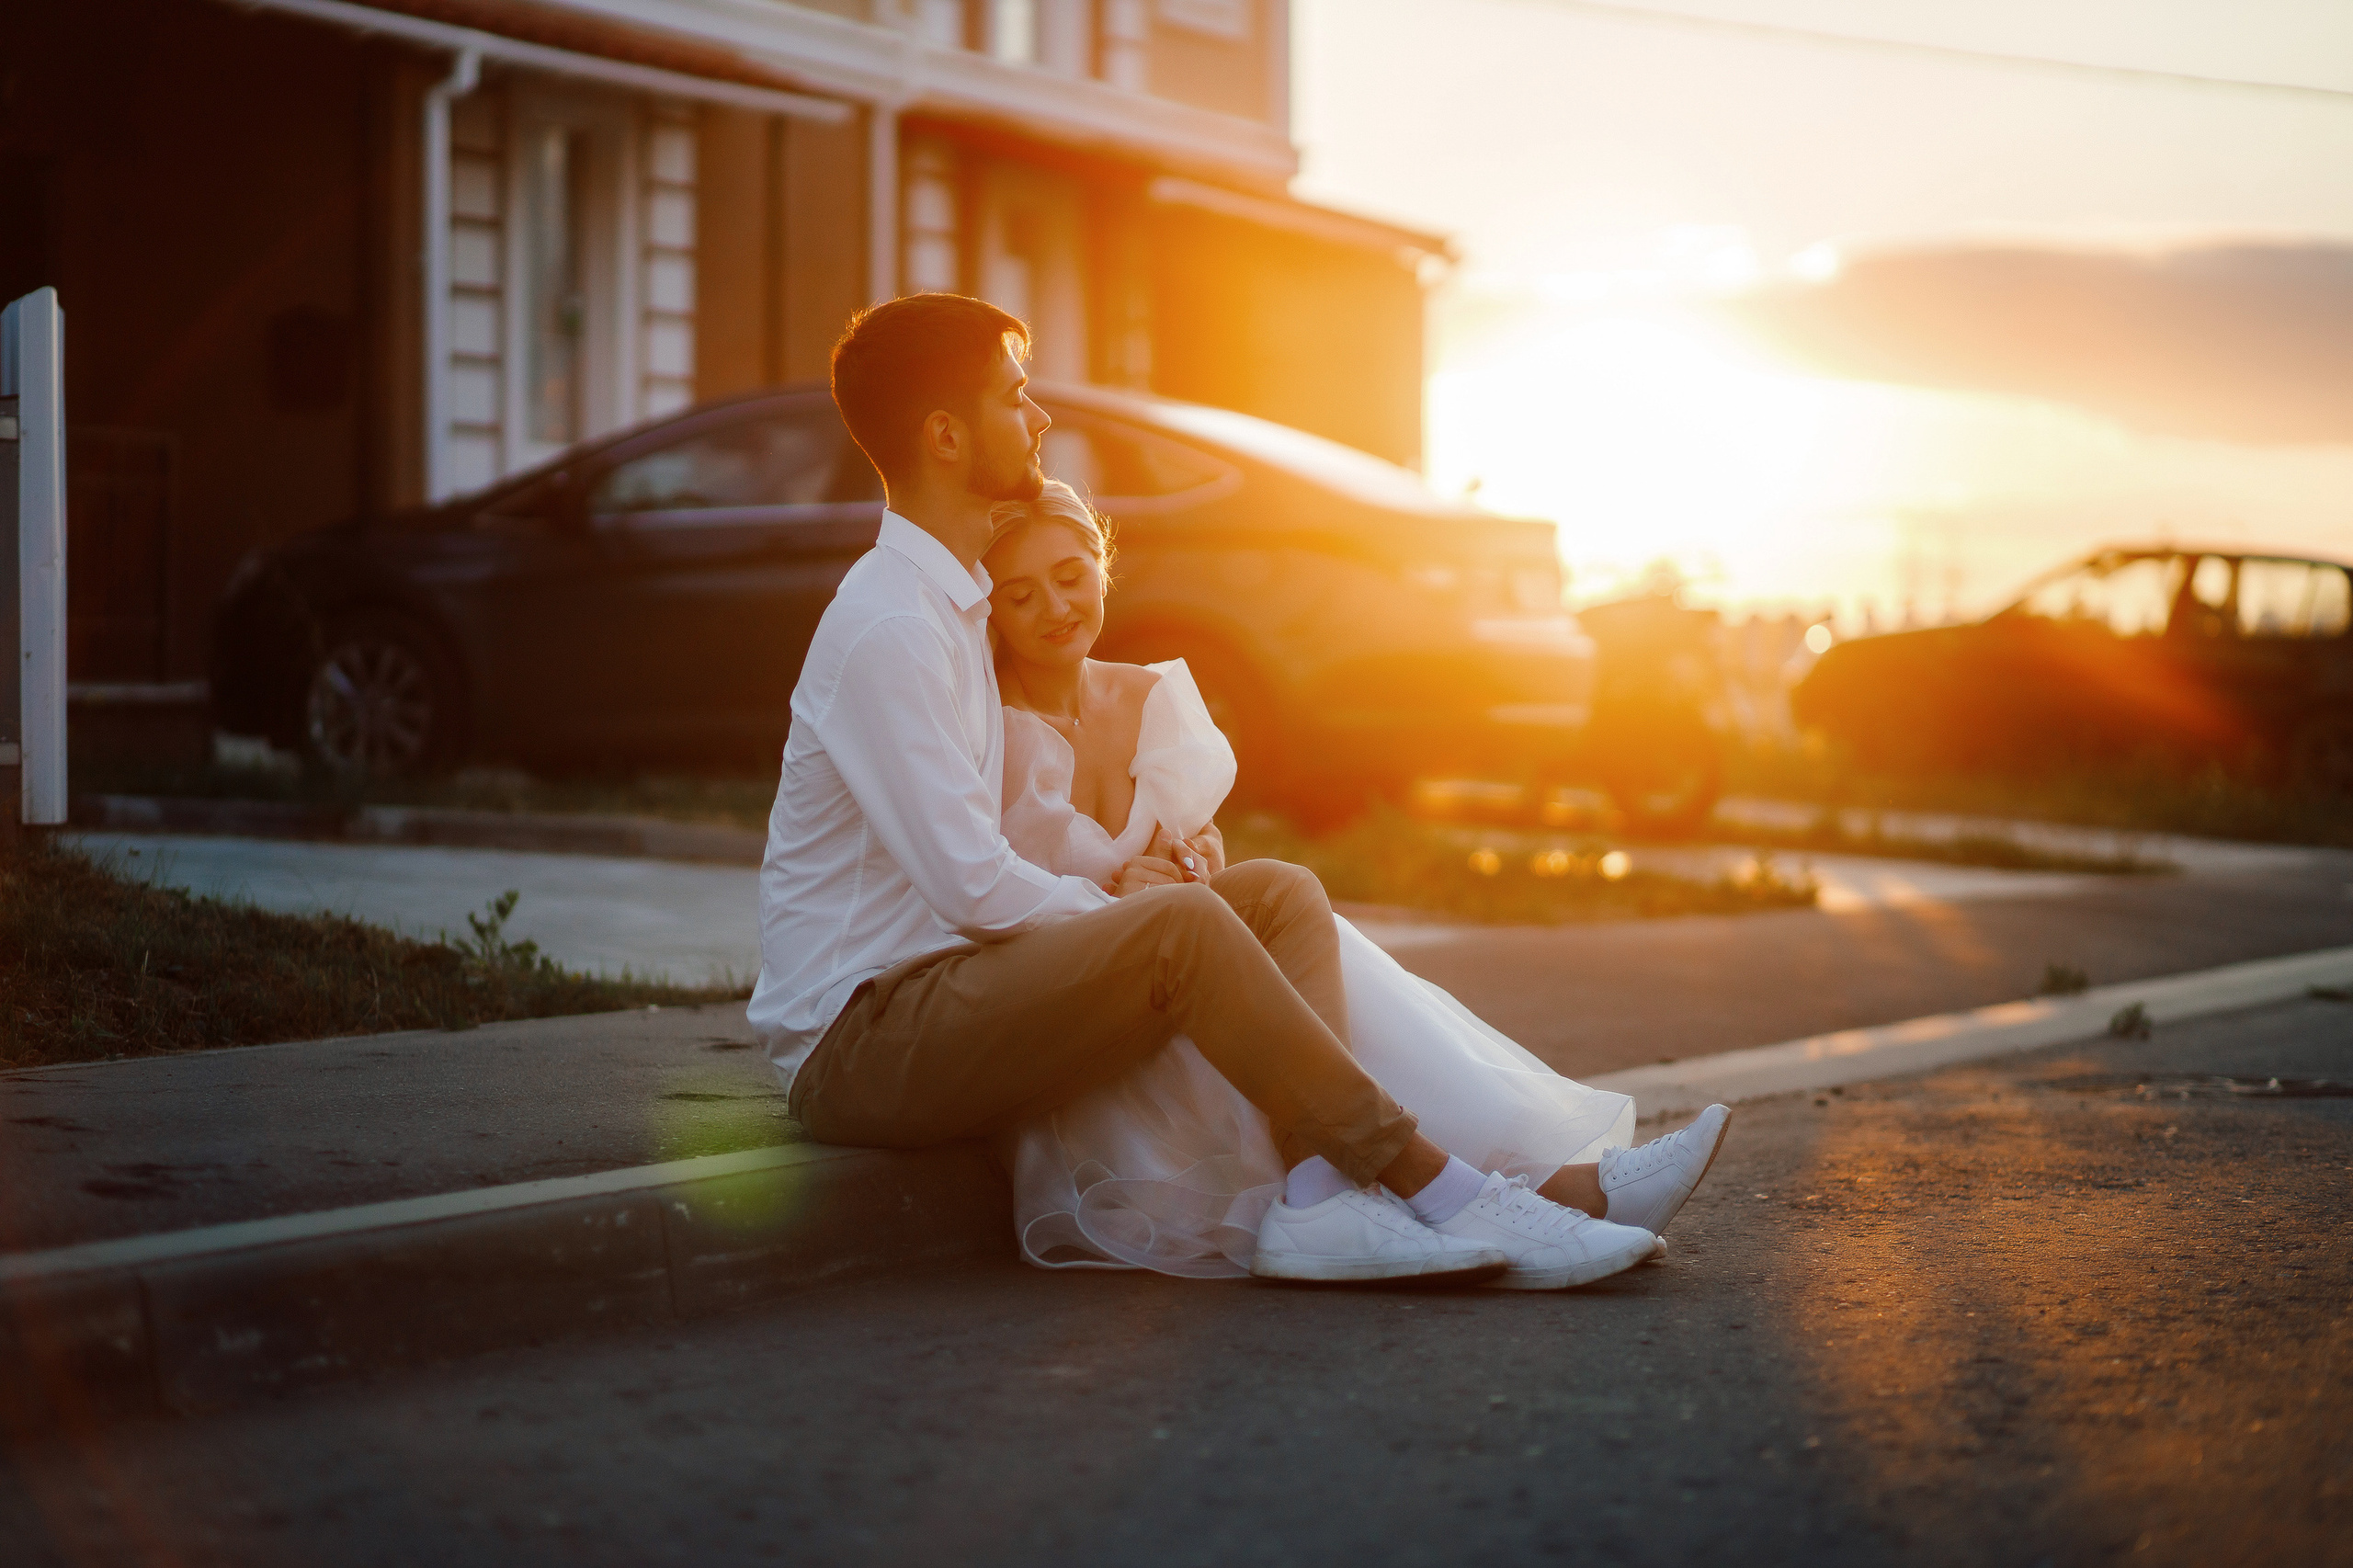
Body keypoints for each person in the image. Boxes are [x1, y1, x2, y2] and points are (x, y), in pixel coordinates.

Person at [749, 292, 1725, 1290]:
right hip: (863, 1036)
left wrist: (1143, 883)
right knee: (1186, 929)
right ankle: (1455, 1191)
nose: (1039, 417)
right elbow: (971, 886)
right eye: (1016, 395)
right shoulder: (892, 625)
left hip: (944, 991)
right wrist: (1134, 908)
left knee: (1276, 894)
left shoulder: (952, 607)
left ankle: (1317, 1196)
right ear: (946, 436)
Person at [983, 479, 1729, 1276]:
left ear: (1102, 564)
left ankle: (1539, 1192)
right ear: (990, 613)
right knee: (1288, 964)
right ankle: (1536, 1195)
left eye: (1070, 576)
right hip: (1112, 1025)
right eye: (1021, 596)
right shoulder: (990, 735)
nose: (1055, 608)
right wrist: (1116, 904)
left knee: (1313, 939)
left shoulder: (1151, 693)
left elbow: (1203, 846)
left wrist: (1196, 862)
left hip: (1197, 966)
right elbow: (988, 905)